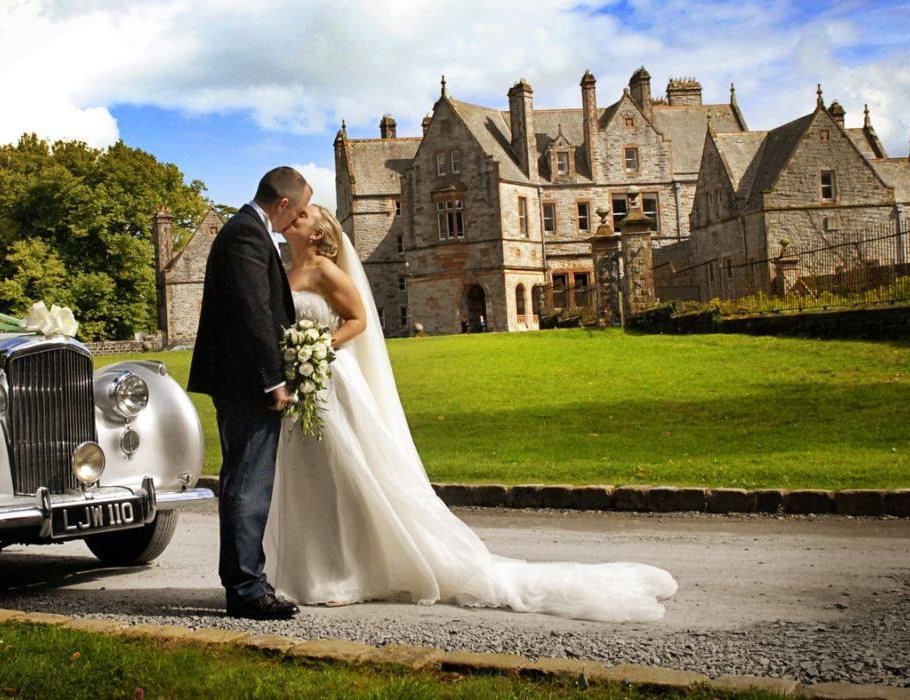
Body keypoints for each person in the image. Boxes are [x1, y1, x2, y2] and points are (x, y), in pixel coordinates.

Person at [263, 204, 677, 622]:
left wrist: (321, 348)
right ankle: (311, 571)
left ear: (316, 234)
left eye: (300, 218)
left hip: (331, 380)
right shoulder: (284, 271)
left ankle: (350, 571)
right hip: (301, 384)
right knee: (310, 475)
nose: (292, 220)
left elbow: (358, 321)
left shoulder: (329, 273)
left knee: (348, 472)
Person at [187, 167, 313, 620]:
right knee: (248, 484)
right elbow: (253, 313)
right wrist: (273, 379)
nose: (296, 220)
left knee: (247, 480)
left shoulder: (246, 231)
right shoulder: (245, 235)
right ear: (282, 204)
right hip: (246, 383)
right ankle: (246, 590)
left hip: (242, 380)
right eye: (296, 211)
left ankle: (246, 582)